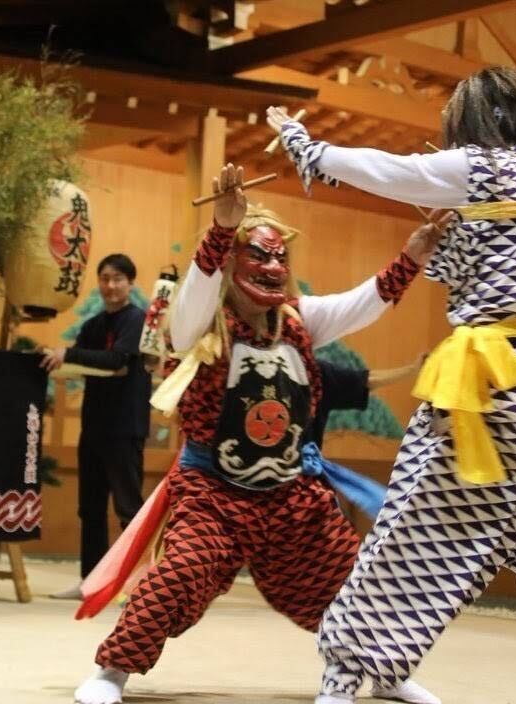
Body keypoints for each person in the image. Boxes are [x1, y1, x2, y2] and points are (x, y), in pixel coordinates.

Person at [269, 65, 516, 704]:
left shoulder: (483, 168)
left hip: (494, 391)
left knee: (416, 537)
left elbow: (382, 169)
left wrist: (305, 146)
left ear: (476, 123)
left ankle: (343, 679)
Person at [72, 164, 450, 704]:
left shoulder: (300, 320)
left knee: (356, 584)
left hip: (292, 497)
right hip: (213, 496)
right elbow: (189, 307)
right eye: (259, 255)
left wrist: (412, 257)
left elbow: (362, 302)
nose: (273, 266)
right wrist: (222, 228)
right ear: (230, 262)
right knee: (175, 577)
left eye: (280, 257)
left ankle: (385, 672)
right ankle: (113, 671)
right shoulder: (204, 323)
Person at [41, 254, 150, 595]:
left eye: (118, 278)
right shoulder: (92, 326)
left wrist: (69, 355)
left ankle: (135, 582)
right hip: (94, 428)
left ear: (130, 283)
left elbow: (117, 360)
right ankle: (92, 581)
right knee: (89, 508)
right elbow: (79, 358)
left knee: (128, 507)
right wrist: (56, 357)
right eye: (104, 278)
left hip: (125, 427)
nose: (110, 285)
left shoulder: (138, 320)